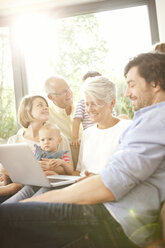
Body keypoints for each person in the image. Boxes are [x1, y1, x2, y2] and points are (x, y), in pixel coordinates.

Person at [0, 52, 165, 248]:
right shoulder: (146, 120)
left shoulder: (156, 119)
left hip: (109, 216)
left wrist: (38, 202)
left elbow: (110, 184)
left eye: (132, 84)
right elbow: (119, 175)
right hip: (107, 209)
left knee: (8, 217)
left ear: (155, 84)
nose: (127, 93)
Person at [0, 95, 72, 201]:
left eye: (46, 105)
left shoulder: (58, 138)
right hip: (16, 183)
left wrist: (52, 167)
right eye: (40, 105)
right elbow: (5, 172)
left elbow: (71, 172)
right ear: (27, 111)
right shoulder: (14, 140)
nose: (46, 108)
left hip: (44, 184)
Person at [75, 75, 131, 175]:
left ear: (112, 103)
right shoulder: (87, 133)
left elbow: (131, 173)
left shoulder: (128, 129)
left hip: (107, 187)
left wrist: (99, 178)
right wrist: (60, 170)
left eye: (95, 104)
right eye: (87, 104)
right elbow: (80, 172)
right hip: (83, 186)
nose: (89, 110)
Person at [71, 71, 102, 146]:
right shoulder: (82, 102)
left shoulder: (105, 102)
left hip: (104, 133)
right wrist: (75, 138)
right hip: (90, 135)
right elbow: (76, 120)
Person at [45, 76, 74, 141]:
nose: (69, 93)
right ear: (51, 97)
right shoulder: (46, 116)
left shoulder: (83, 108)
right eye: (63, 92)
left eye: (69, 88)